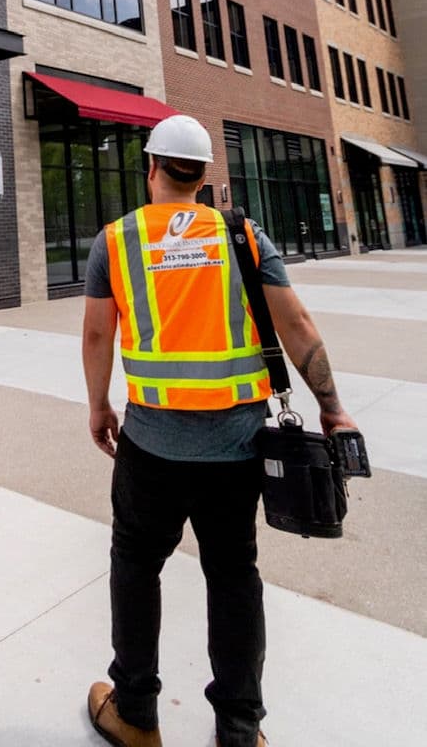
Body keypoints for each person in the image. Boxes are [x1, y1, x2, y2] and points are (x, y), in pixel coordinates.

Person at [81, 114, 358, 747]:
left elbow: (99, 334)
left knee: (135, 568)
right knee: (233, 576)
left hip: (149, 446)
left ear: (151, 167)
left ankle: (136, 713)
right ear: (205, 175)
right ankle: (239, 729)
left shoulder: (116, 242)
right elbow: (298, 326)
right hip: (237, 449)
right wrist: (332, 406)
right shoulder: (242, 235)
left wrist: (99, 406)